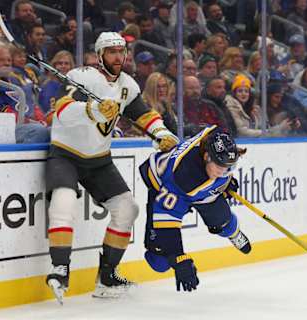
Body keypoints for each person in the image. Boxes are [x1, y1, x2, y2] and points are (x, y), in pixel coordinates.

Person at [45, 32, 179, 303]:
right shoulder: (81, 76)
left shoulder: (127, 85)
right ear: (100, 54)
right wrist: (93, 109)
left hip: (99, 160)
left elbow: (143, 114)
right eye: (112, 51)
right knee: (63, 202)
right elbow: (61, 110)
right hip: (66, 155)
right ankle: (60, 270)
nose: (118, 57)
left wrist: (161, 132)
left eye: (122, 51)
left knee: (127, 209)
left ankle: (107, 278)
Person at [139, 126, 251, 292]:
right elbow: (166, 223)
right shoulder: (183, 177)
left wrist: (227, 182)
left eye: (229, 168)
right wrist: (179, 258)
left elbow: (218, 155)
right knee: (159, 262)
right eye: (220, 166)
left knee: (222, 222)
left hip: (198, 185)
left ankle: (234, 234)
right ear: (206, 157)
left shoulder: (216, 139)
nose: (224, 172)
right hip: (164, 185)